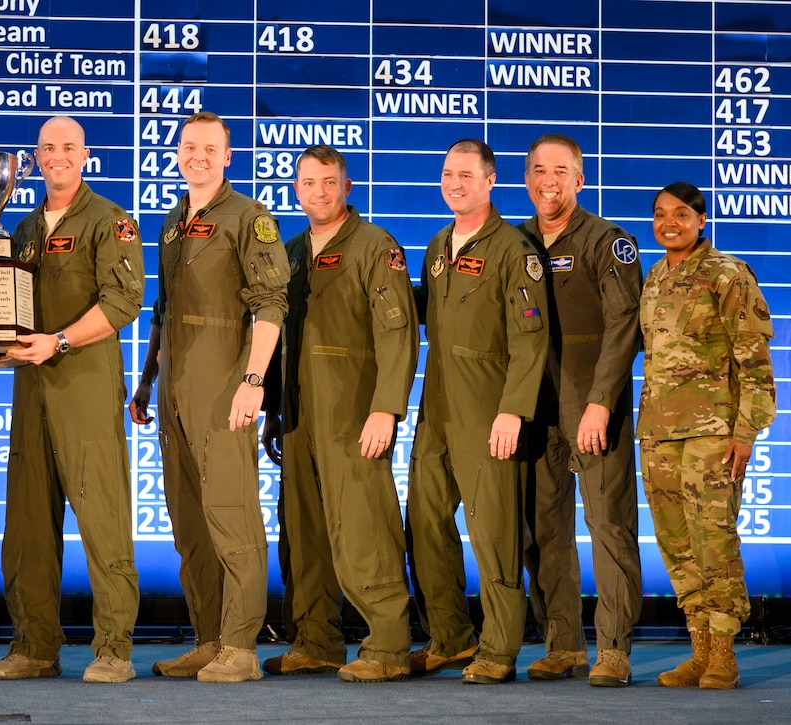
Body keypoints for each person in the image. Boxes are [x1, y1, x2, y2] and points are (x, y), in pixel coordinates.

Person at [0, 116, 145, 684]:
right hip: (31, 390)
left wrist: (61, 340)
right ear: (34, 158)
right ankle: (34, 645)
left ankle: (114, 649)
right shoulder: (21, 228)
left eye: (67, 147)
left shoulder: (110, 222)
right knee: (27, 521)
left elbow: (124, 301)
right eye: (47, 148)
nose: (57, 156)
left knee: (102, 518)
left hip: (84, 386)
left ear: (84, 155)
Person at [259, 145, 418, 683]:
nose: (318, 192)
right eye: (308, 183)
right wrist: (274, 412)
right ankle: (317, 641)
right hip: (300, 418)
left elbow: (397, 334)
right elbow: (278, 340)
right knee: (302, 533)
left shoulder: (376, 246)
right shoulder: (292, 251)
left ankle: (390, 646)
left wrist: (386, 409)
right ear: (296, 189)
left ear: (346, 188)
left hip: (355, 415)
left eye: (329, 182)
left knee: (364, 528)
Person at [151, 111, 290, 683]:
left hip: (225, 390)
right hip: (173, 393)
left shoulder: (249, 218)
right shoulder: (171, 222)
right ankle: (208, 638)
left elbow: (271, 304)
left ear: (227, 156)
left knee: (232, 516)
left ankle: (241, 646)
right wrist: (144, 382)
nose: (197, 156)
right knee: (189, 524)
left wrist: (253, 383)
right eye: (188, 146)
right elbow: (162, 313)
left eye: (209, 148)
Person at [406, 138, 549, 684]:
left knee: (493, 533)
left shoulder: (516, 251)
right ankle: (450, 639)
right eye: (448, 174)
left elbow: (530, 339)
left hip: (489, 412)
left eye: (466, 175)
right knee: (423, 525)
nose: (455, 183)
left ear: (490, 182)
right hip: (436, 411)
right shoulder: (439, 245)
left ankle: (500, 647)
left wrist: (513, 411)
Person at [517, 134, 643, 687]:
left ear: (579, 179)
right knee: (541, 530)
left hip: (592, 406)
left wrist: (599, 402)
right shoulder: (513, 242)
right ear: (526, 179)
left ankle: (613, 649)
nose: (549, 180)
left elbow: (625, 327)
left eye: (561, 170)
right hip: (531, 408)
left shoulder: (607, 242)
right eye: (539, 170)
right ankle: (563, 643)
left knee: (609, 525)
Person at [639, 181, 775, 691]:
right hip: (658, 433)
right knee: (676, 543)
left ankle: (724, 654)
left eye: (679, 214)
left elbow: (754, 361)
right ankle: (698, 651)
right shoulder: (653, 277)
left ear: (701, 220)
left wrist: (746, 432)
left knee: (713, 540)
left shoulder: (727, 274)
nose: (668, 223)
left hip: (713, 433)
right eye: (659, 215)